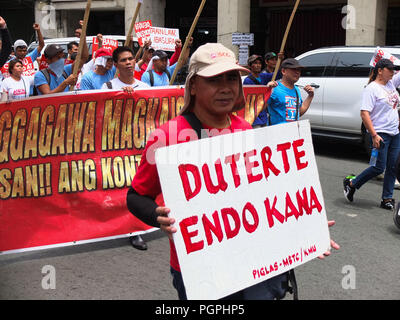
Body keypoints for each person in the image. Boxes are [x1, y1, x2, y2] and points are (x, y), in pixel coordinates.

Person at [126, 43, 339, 300]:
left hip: (252, 264)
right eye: (215, 79)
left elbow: (263, 197)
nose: (226, 87)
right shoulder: (166, 137)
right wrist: (155, 216)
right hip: (199, 270)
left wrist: (304, 226)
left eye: (232, 78)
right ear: (193, 85)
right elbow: (135, 197)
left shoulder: (245, 130)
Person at [343, 58, 400, 210]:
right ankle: (351, 183)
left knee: (393, 167)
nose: (393, 72)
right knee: (379, 167)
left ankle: (387, 198)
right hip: (380, 133)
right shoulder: (372, 89)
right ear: (380, 70)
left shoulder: (391, 84)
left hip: (395, 133)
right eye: (390, 69)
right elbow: (364, 113)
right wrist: (374, 135)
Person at [253, 58, 314, 127]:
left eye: (299, 70)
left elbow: (298, 112)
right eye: (294, 69)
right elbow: (259, 108)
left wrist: (310, 96)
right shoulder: (274, 88)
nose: (297, 72)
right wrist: (267, 92)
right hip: (277, 133)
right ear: (283, 71)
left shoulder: (297, 90)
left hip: (293, 132)